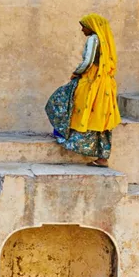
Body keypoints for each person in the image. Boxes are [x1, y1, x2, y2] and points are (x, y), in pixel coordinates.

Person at [45, 13, 120, 167]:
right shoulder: (105, 41)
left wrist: (76, 72)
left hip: (91, 81)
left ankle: (65, 136)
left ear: (91, 27)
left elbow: (88, 61)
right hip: (104, 84)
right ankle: (102, 158)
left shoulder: (93, 39)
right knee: (100, 118)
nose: (82, 30)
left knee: (61, 100)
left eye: (83, 26)